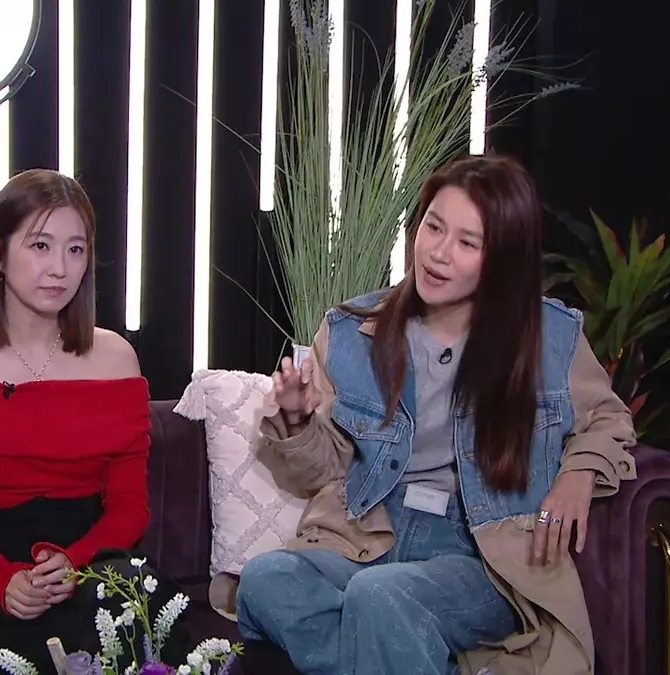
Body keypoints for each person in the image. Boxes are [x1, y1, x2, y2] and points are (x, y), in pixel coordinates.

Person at [233, 155, 637, 675]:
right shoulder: (351, 333)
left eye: (467, 243)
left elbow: (608, 421)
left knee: (380, 598)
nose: (439, 253)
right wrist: (296, 421)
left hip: (483, 552)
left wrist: (577, 474)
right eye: (434, 226)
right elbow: (323, 474)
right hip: (372, 536)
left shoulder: (550, 336)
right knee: (264, 581)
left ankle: (398, 643)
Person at [0, 168, 189, 673]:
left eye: (75, 250)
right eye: (40, 246)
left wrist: (74, 562)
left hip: (88, 554)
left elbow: (129, 508)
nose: (59, 269)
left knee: (137, 614)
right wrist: (0, 577)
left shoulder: (115, 359)